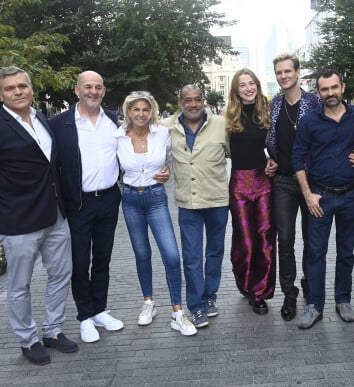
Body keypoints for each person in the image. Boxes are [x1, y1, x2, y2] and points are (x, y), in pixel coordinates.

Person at [0, 66, 77, 365]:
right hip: (19, 222)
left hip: (55, 215)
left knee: (61, 274)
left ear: (31, 89)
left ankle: (53, 330)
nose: (18, 92)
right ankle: (28, 339)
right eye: (10, 88)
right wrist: (6, 199)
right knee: (19, 285)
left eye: (22, 86)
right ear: (1, 94)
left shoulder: (40, 118)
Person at [115, 91, 196, 336]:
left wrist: (168, 172)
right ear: (128, 111)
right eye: (136, 109)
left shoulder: (162, 133)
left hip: (156, 198)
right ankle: (148, 302)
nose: (141, 114)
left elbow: (173, 158)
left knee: (171, 255)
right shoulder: (117, 137)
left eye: (145, 109)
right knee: (142, 253)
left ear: (152, 111)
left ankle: (178, 312)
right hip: (130, 199)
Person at [50, 71, 124, 343]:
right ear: (77, 90)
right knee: (80, 262)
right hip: (78, 203)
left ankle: (100, 310)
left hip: (108, 199)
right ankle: (84, 316)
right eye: (88, 87)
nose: (93, 91)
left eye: (98, 87)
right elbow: (42, 158)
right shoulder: (60, 124)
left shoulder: (114, 120)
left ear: (104, 91)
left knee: (102, 259)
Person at [291, 69, 354, 329]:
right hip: (319, 196)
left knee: (346, 252)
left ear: (342, 87)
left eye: (334, 87)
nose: (330, 93)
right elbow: (297, 158)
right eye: (325, 89)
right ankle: (314, 305)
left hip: (350, 194)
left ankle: (343, 299)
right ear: (318, 92)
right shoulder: (310, 121)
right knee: (316, 253)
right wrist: (307, 194)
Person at [161, 85, 230, 328]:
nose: (193, 104)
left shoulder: (222, 124)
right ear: (180, 102)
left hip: (217, 200)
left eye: (197, 100)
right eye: (187, 100)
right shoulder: (165, 127)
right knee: (191, 257)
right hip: (188, 202)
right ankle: (196, 306)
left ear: (203, 101)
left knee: (214, 252)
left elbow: (240, 153)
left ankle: (210, 296)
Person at [266, 52, 320, 321]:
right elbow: (267, 138)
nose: (284, 76)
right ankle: (289, 293)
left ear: (298, 73)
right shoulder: (274, 105)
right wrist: (271, 160)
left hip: (312, 182)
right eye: (279, 72)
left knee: (312, 239)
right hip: (284, 182)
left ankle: (310, 283)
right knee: (285, 240)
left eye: (288, 71)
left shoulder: (315, 102)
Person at [224, 69, 277, 315]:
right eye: (243, 85)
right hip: (239, 185)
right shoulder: (227, 116)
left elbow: (279, 143)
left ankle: (260, 292)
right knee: (245, 240)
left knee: (265, 238)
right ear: (236, 90)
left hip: (263, 182)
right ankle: (245, 282)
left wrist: (273, 160)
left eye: (251, 83)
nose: (248, 88)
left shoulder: (267, 112)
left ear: (257, 85)